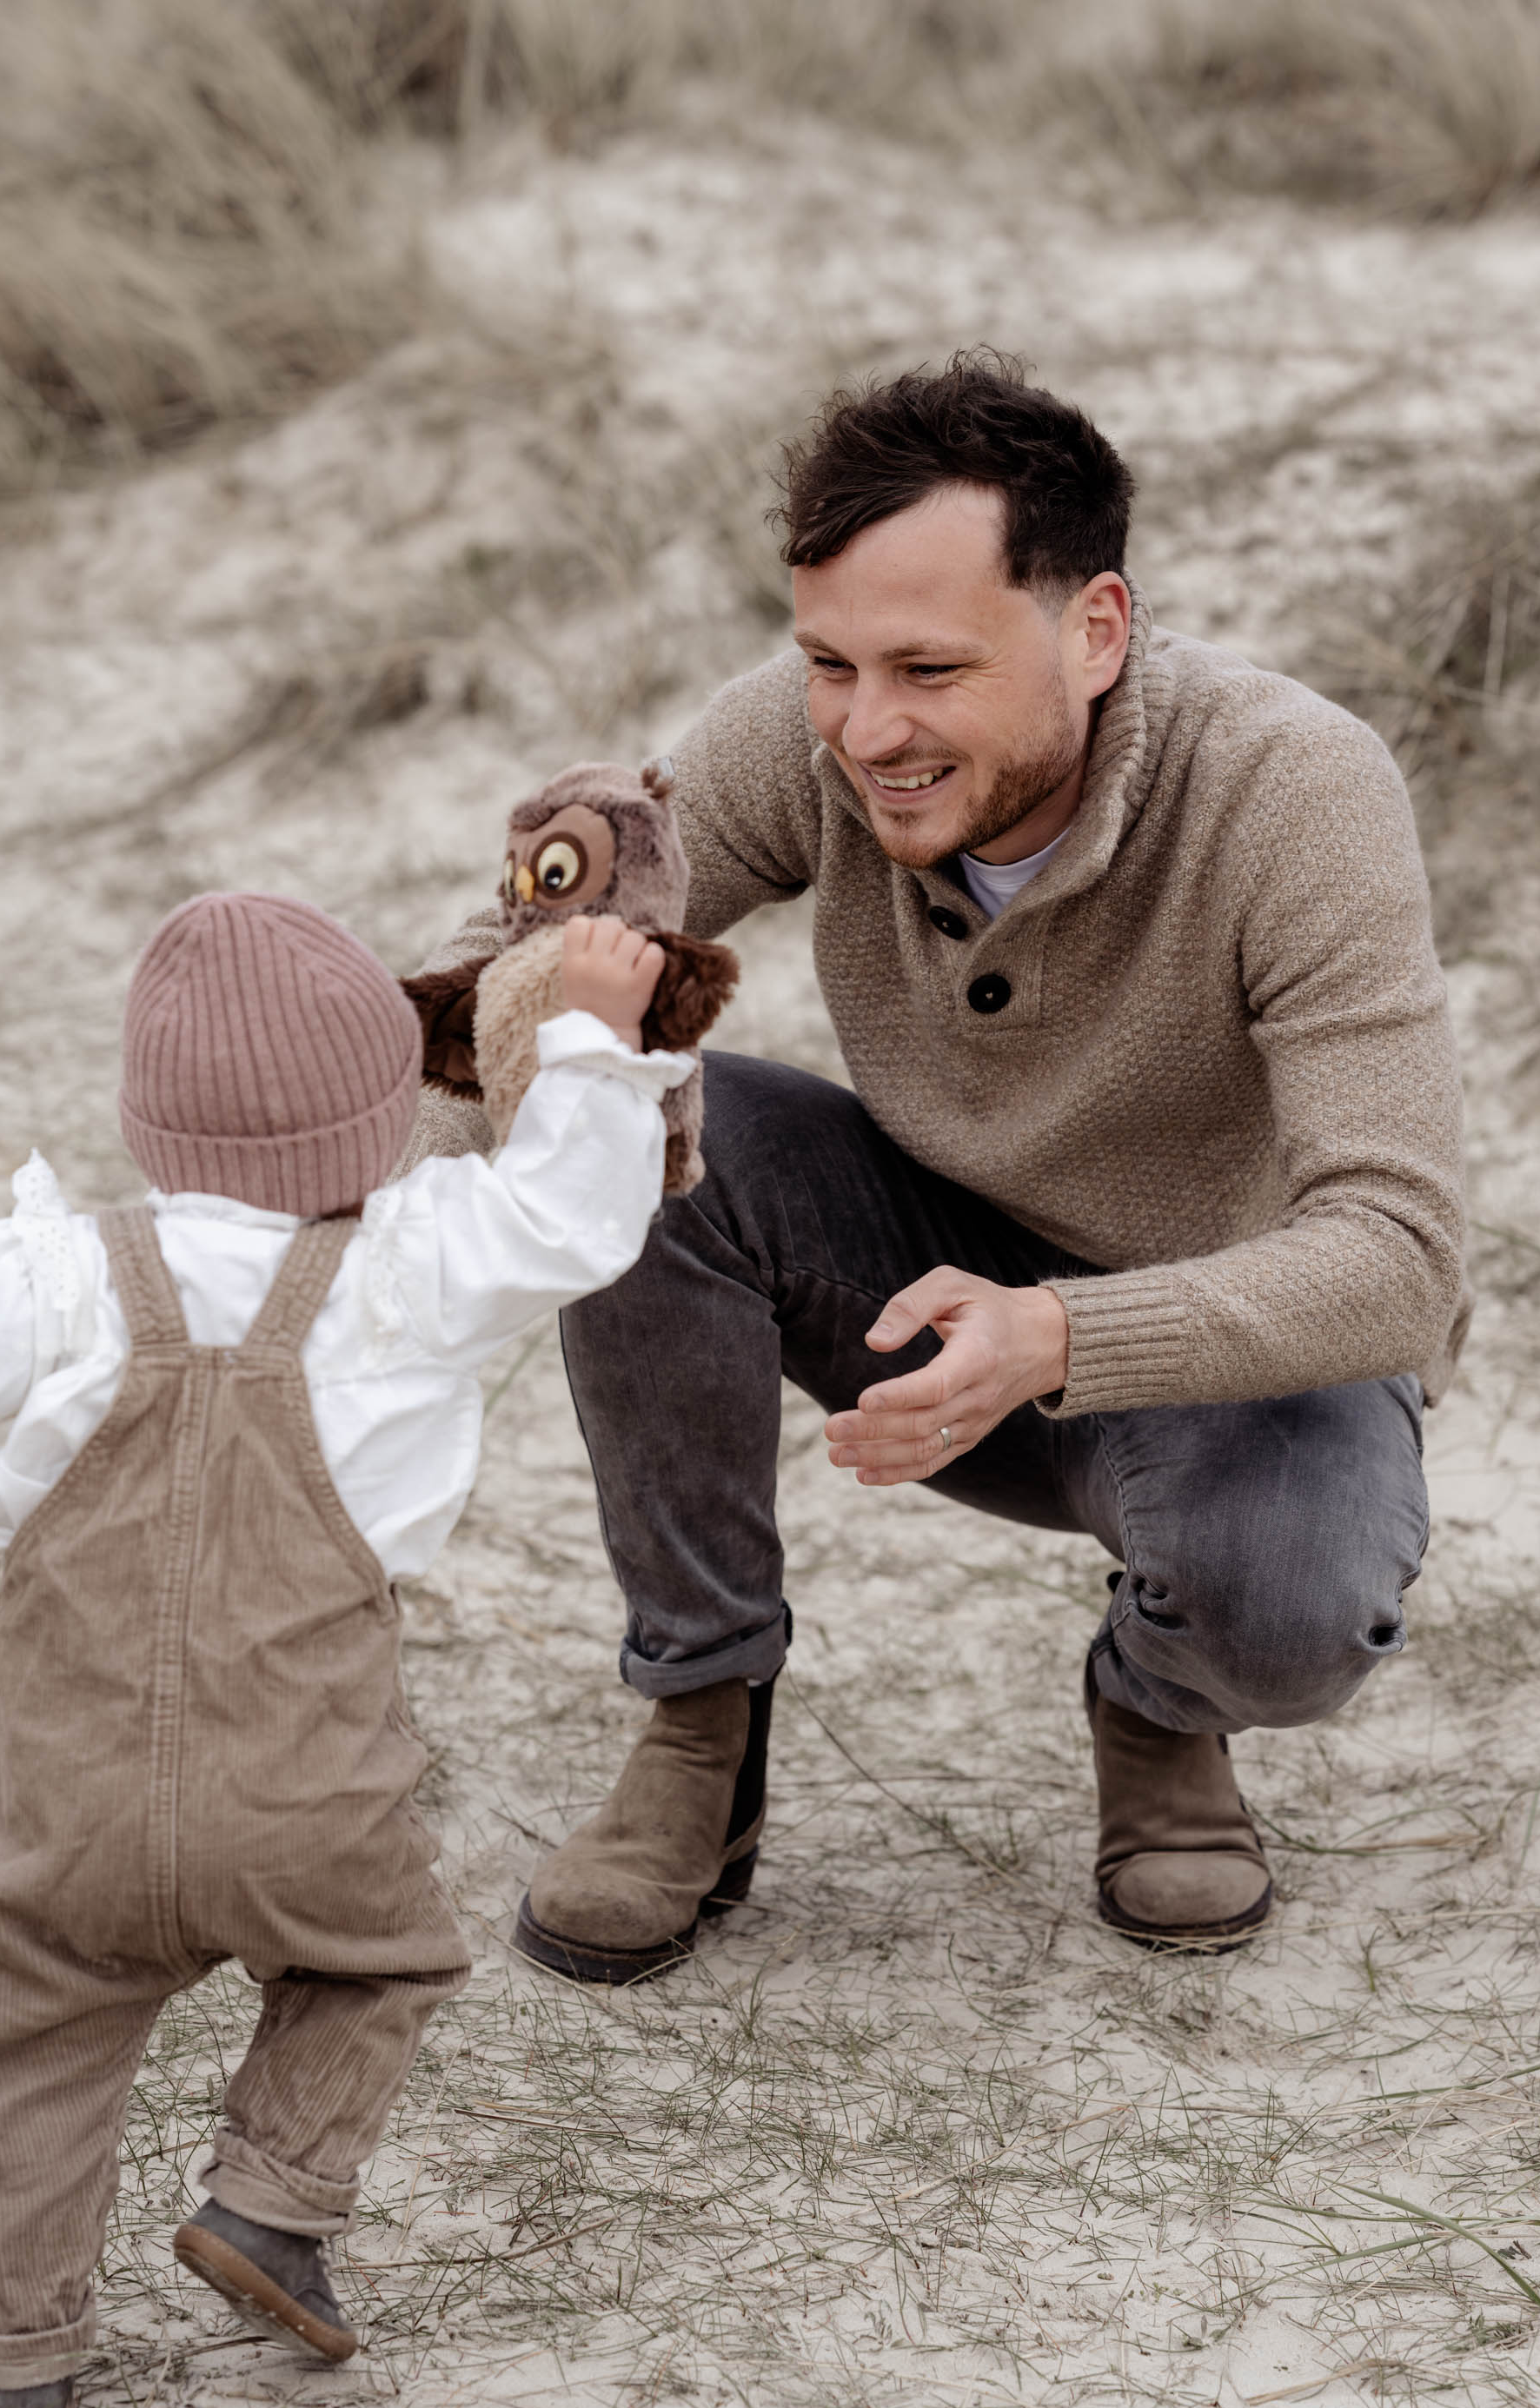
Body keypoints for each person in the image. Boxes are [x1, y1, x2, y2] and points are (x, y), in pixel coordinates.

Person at [412, 350, 1469, 1990]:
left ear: (1096, 630)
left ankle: (1157, 1705)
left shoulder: (1293, 787)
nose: (867, 728)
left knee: (1291, 1609)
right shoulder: (804, 739)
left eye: (928, 668)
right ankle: (700, 1717)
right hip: (909, 1276)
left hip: (1228, 1341)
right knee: (606, 1098)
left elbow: (1400, 1254)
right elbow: (514, 980)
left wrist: (1054, 1334)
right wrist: (271, 1229)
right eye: (828, 663)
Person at [0, 892, 685, 2408]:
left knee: (30, 2027)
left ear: (144, 1124)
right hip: (305, 1786)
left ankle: (15, 2351)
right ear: (384, 1123)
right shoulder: (414, 1264)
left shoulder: (56, 1277)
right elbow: (576, 1215)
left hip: (67, 1793)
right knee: (384, 1962)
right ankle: (270, 2202)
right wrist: (587, 1034)